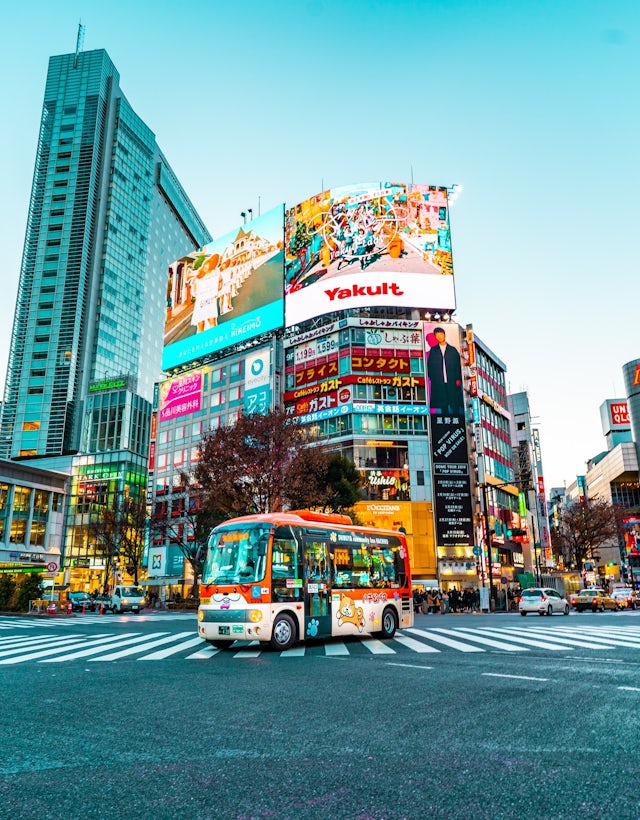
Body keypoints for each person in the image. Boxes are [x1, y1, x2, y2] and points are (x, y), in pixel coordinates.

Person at [426, 326, 464, 415]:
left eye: (441, 334)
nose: (439, 337)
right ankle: (444, 417)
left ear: (444, 335)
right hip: (439, 381)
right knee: (443, 402)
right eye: (437, 335)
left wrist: (458, 378)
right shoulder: (433, 350)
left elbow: (458, 365)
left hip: (452, 380)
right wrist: (432, 377)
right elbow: (429, 365)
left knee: (454, 400)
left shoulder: (452, 350)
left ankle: (456, 416)